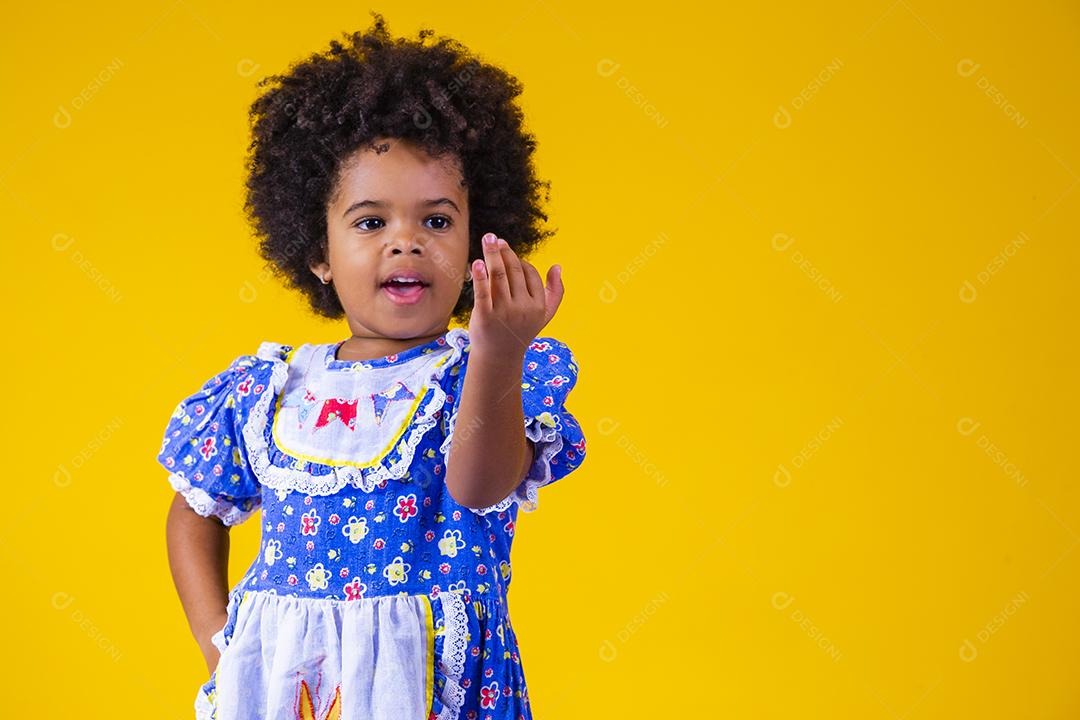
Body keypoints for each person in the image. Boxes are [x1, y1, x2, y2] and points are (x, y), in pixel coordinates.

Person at [159, 12, 587, 719]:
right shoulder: (266, 391)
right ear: (316, 250)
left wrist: (499, 351)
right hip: (286, 694)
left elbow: (479, 488)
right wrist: (223, 646)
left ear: (483, 240)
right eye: (370, 222)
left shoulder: (481, 372)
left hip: (433, 690)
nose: (406, 244)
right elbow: (192, 512)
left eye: (438, 221)